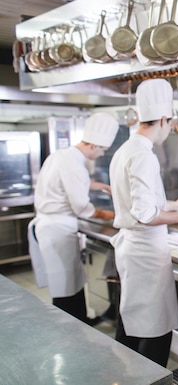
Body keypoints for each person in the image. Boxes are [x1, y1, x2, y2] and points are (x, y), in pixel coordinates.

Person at [108, 78, 178, 367]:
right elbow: (145, 214)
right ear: (163, 119)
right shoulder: (144, 155)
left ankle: (126, 375)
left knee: (133, 324)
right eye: (170, 123)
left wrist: (173, 205)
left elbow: (140, 202)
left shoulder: (126, 150)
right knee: (155, 330)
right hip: (145, 255)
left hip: (134, 250)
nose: (170, 128)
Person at [29, 112, 120, 324]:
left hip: (49, 226)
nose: (101, 154)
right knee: (65, 285)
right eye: (103, 150)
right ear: (94, 146)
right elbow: (82, 208)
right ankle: (70, 328)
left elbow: (62, 183)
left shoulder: (61, 155)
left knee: (70, 282)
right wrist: (109, 215)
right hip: (58, 230)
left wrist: (97, 185)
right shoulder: (75, 164)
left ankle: (80, 322)